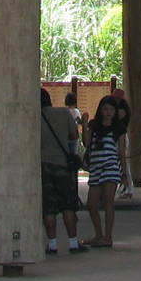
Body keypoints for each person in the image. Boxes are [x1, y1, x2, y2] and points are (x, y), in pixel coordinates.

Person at [40, 88, 85, 254]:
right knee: (68, 206)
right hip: (63, 165)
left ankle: (52, 244)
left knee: (48, 208)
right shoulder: (64, 113)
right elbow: (74, 136)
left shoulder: (33, 117)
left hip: (43, 165)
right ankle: (73, 243)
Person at [83, 95, 124, 246]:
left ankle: (108, 237)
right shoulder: (94, 126)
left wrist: (124, 173)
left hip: (111, 167)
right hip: (95, 167)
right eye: (105, 109)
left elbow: (121, 152)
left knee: (108, 200)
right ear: (100, 110)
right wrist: (85, 124)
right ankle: (98, 234)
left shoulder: (118, 128)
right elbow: (87, 143)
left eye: (111, 110)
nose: (108, 113)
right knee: (91, 203)